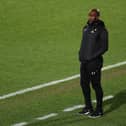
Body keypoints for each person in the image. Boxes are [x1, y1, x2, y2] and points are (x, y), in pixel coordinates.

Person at [78, 8, 109, 118]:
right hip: (84, 62)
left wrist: (92, 57)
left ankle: (99, 109)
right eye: (90, 15)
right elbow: (84, 44)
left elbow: (104, 47)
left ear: (98, 16)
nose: (91, 17)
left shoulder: (102, 30)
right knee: (84, 84)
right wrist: (81, 54)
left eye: (94, 15)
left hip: (94, 62)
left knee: (96, 85)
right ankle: (88, 107)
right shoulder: (85, 28)